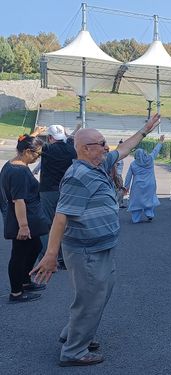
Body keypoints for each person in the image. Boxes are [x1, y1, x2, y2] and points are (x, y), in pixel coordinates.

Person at [30, 114, 161, 367]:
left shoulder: (98, 164)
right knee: (90, 298)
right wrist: (50, 255)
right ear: (85, 149)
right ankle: (74, 351)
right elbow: (60, 217)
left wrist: (144, 131)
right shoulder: (78, 175)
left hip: (101, 247)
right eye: (101, 143)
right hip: (86, 251)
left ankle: (74, 333)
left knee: (96, 295)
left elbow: (123, 149)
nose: (106, 147)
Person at [0, 134, 49, 303]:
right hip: (22, 218)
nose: (38, 157)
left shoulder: (15, 164)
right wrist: (23, 226)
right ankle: (16, 293)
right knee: (19, 255)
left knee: (35, 246)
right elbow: (18, 200)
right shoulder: (18, 171)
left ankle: (25, 281)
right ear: (27, 151)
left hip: (25, 217)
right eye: (38, 154)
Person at [35, 125, 78, 269]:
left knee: (47, 224)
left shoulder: (47, 149)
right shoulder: (72, 150)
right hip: (67, 190)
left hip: (48, 191)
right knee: (65, 224)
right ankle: (65, 259)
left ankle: (47, 258)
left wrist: (36, 132)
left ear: (49, 138)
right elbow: (70, 140)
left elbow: (27, 143)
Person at [124, 135, 164, 223]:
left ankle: (136, 218)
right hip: (150, 184)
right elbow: (155, 151)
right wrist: (160, 142)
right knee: (149, 199)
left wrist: (126, 187)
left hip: (137, 185)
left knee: (136, 200)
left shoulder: (133, 164)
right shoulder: (150, 159)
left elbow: (128, 176)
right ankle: (149, 213)